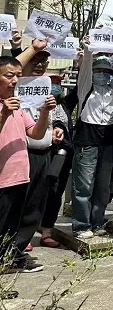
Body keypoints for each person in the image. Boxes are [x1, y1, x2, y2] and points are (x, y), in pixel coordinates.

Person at [0, 55, 55, 274]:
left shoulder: (17, 107)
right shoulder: (6, 107)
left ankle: (6, 267)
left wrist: (44, 112)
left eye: (17, 76)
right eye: (8, 76)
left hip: (20, 176)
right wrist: (4, 113)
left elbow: (35, 133)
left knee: (11, 230)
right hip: (2, 180)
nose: (14, 81)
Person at [13, 39, 63, 259]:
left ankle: (22, 243)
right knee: (17, 201)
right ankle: (12, 244)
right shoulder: (13, 85)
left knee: (37, 201)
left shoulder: (47, 85)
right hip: (20, 153)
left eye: (44, 61)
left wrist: (58, 128)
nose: (40, 65)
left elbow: (55, 115)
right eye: (35, 60)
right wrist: (30, 48)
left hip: (45, 151)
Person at [70, 45, 113, 239]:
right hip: (87, 141)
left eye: (106, 71)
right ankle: (80, 225)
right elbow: (84, 72)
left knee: (103, 186)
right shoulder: (86, 90)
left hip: (109, 142)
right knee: (84, 185)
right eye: (98, 70)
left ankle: (97, 222)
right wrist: (87, 51)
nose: (102, 74)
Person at [38, 73, 76, 248]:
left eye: (58, 83)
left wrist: (84, 60)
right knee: (35, 193)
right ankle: (26, 230)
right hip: (39, 152)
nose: (55, 87)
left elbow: (82, 86)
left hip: (61, 155)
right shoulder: (34, 103)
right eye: (51, 83)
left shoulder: (66, 104)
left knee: (55, 193)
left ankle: (46, 231)